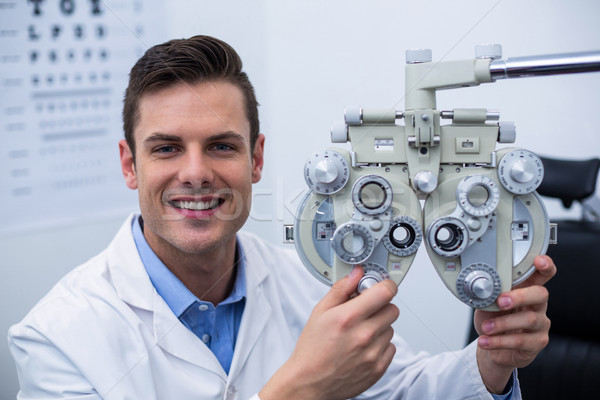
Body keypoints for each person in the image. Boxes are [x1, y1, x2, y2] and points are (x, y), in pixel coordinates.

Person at [8, 35, 555, 400]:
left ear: (257, 159)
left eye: (222, 146)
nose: (196, 173)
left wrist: (492, 362)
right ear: (130, 165)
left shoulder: (305, 278)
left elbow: (401, 387)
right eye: (167, 148)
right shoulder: (56, 338)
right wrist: (301, 389)